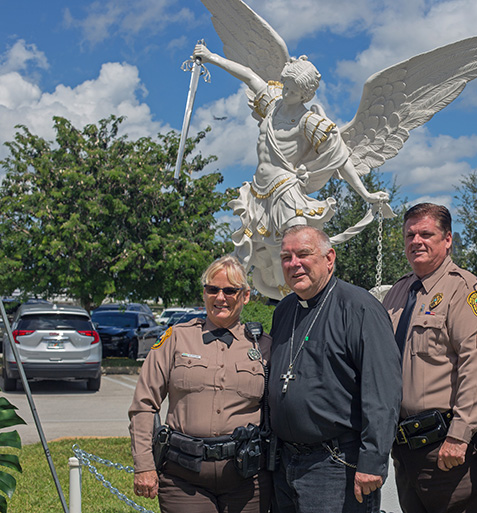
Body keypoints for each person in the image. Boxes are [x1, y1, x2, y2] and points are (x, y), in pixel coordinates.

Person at [192, 45, 389, 299]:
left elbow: (341, 159)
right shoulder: (272, 105)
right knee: (248, 257)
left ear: (305, 95)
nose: (286, 93)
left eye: (293, 91)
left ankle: (312, 308)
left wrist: (366, 194)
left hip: (286, 194)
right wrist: (212, 57)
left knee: (294, 256)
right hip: (257, 193)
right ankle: (230, 304)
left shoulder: (310, 122)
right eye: (285, 86)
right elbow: (249, 75)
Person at [268, 225, 401, 513]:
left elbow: (383, 392)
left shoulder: (359, 307)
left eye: (304, 254)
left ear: (330, 258)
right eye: (286, 257)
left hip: (336, 464)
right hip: (285, 462)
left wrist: (373, 462)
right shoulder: (285, 309)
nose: (294, 264)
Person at [129, 255, 272, 512]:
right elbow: (143, 404)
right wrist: (144, 464)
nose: (220, 298)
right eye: (212, 289)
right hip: (184, 477)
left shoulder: (262, 346)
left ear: (246, 295)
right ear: (204, 293)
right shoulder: (177, 339)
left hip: (247, 480)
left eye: (230, 290)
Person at [382, 203, 477, 513]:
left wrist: (459, 436)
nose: (416, 241)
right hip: (405, 448)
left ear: (447, 240)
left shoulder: (464, 290)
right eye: (410, 234)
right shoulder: (398, 292)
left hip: (445, 448)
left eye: (426, 234)